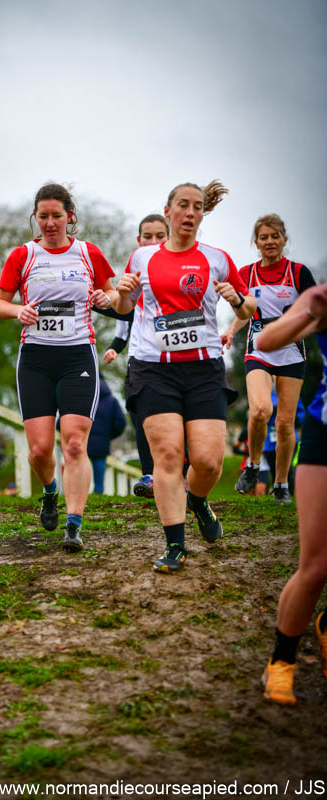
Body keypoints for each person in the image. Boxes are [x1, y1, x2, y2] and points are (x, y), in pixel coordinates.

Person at [110, 180, 256, 573]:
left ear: (202, 213)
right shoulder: (142, 258)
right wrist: (122, 292)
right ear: (169, 210)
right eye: (183, 205)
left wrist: (237, 300)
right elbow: (124, 307)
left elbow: (248, 309)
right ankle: (175, 545)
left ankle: (197, 500)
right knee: (169, 456)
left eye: (197, 207)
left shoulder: (217, 259)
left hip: (203, 368)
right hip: (153, 368)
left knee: (207, 461)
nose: (190, 213)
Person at [0, 182, 115, 552]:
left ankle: (74, 523)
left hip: (77, 355)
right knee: (40, 449)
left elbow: (114, 295)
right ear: (35, 217)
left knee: (74, 442)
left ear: (69, 217)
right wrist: (18, 310)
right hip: (35, 359)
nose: (49, 222)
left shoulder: (88, 253)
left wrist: (106, 297)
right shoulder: (23, 255)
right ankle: (49, 491)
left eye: (56, 216)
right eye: (43, 216)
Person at [257, 283, 327, 706]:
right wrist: (311, 314)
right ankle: (281, 661)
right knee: (316, 566)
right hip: (325, 436)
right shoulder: (322, 297)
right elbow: (266, 341)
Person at [221, 214, 316, 504]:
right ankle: (252, 465)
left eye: (275, 236)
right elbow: (244, 310)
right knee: (260, 410)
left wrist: (301, 329)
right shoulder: (247, 274)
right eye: (264, 237)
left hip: (290, 351)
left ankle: (282, 484)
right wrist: (230, 331)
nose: (270, 241)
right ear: (256, 242)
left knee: (285, 423)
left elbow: (314, 310)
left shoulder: (298, 273)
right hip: (258, 349)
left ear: (284, 239)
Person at [102, 214, 170, 498]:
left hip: (177, 360)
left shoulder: (179, 271)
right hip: (141, 360)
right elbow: (124, 318)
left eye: (160, 236)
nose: (153, 242)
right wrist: (113, 348)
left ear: (169, 237)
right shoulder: (132, 275)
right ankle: (149, 475)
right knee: (141, 416)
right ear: (138, 240)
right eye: (147, 237)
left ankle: (182, 476)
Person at [87, 375, 126, 493]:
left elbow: (60, 424)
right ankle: (98, 497)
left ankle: (78, 500)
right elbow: (121, 422)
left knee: (78, 476)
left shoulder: (80, 397)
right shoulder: (111, 401)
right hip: (101, 445)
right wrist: (108, 436)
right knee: (99, 482)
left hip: (81, 444)